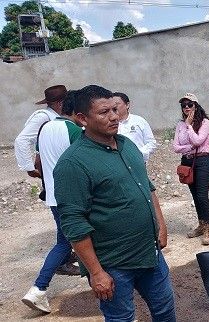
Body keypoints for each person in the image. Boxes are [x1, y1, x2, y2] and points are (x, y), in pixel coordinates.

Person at [54, 85, 176, 322]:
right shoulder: (73, 163)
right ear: (82, 119)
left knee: (165, 310)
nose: (113, 117)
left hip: (150, 253)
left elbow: (147, 186)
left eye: (114, 109)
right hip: (113, 265)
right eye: (103, 112)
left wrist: (161, 224)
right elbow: (73, 222)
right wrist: (96, 272)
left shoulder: (127, 145)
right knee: (121, 318)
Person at [22, 90, 82, 313]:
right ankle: (38, 289)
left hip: (54, 196)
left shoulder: (45, 128)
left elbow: (38, 161)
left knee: (68, 239)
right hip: (72, 196)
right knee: (66, 242)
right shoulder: (74, 130)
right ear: (78, 111)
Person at [172, 93, 209, 245]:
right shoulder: (179, 125)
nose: (186, 108)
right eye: (184, 105)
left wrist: (189, 126)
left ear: (196, 105)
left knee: (202, 195)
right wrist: (189, 147)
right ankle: (201, 225)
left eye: (190, 104)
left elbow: (198, 140)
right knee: (195, 196)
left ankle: (208, 228)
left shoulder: (205, 122)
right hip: (187, 161)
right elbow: (175, 147)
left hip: (202, 161)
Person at [15, 85, 67, 178]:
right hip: (49, 167)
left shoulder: (58, 116)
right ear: (60, 103)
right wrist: (30, 169)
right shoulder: (43, 116)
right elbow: (22, 140)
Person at [113, 92, 157, 162]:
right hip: (117, 163)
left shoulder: (139, 121)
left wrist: (138, 153)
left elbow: (151, 143)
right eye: (112, 105)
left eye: (117, 104)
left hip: (137, 162)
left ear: (127, 105)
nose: (114, 107)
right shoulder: (110, 124)